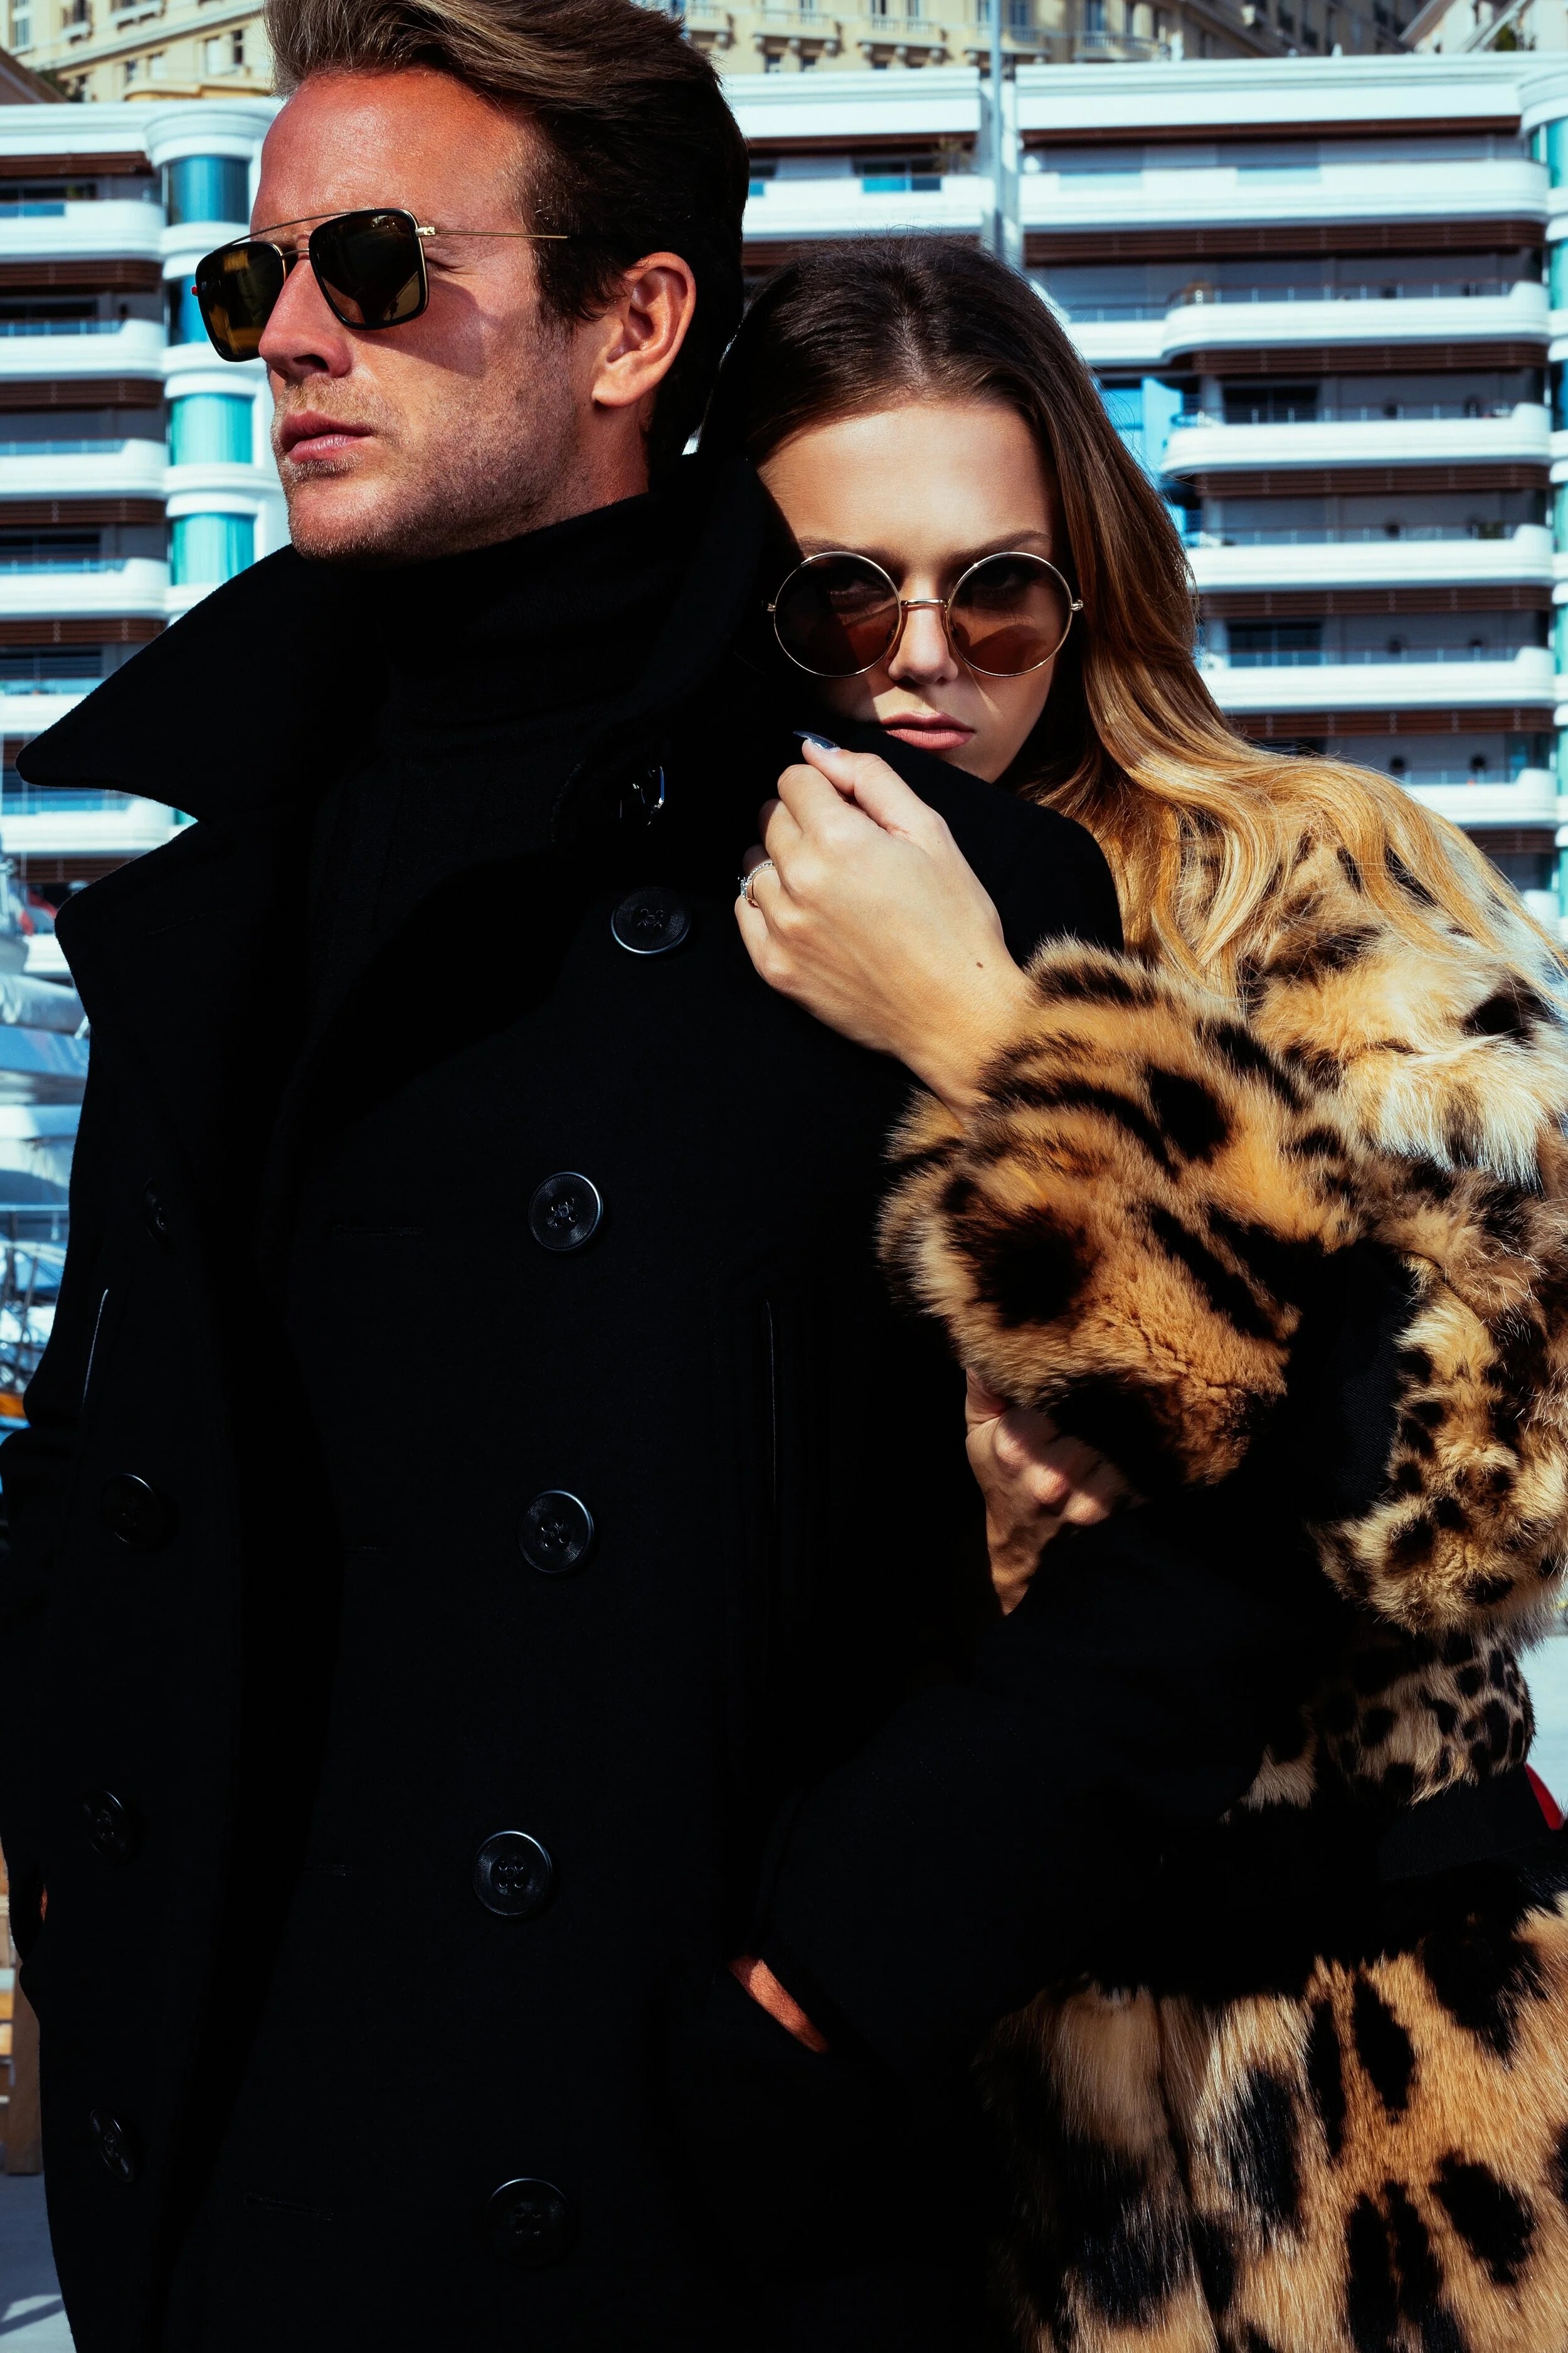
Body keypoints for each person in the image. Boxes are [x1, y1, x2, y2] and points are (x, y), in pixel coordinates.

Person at [0, 21, 1355, 2344]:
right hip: (231, 2200)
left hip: (673, 2215)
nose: (288, 334)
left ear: (634, 325)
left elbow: (1246, 1505)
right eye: (248, 278)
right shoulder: (222, 879)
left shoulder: (912, 883)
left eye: (370, 264)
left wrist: (831, 1989)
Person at [704, 236, 1568, 2353]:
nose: (923, 658)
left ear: (1086, 593)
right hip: (917, 2102)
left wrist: (988, 1037)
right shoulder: (682, 948)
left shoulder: (1299, 877)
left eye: (996, 591)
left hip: (1341, 2082)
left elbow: (1496, 1473)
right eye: (841, 597)